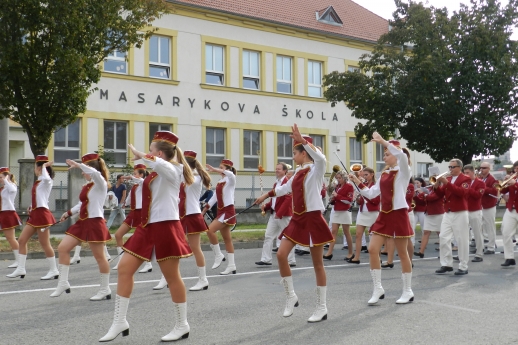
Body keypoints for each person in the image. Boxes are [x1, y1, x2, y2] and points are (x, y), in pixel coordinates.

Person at [100, 131, 194, 342]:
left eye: (151, 150)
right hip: (147, 227)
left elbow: (162, 165)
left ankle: (182, 325)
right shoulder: (156, 172)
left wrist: (142, 154)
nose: (148, 153)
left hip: (166, 226)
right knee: (124, 269)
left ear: (159, 153)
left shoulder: (174, 169)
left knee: (172, 277)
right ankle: (119, 322)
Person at [255, 124, 333, 322]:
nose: (292, 157)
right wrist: (265, 195)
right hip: (298, 219)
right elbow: (282, 190)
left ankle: (321, 307)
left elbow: (321, 158)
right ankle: (291, 296)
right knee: (281, 254)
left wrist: (304, 141)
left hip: (314, 218)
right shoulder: (297, 174)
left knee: (317, 264)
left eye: (295, 153)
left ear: (304, 153)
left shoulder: (316, 170)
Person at [349, 135, 414, 305]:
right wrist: (357, 181)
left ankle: (407, 290)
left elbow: (401, 156)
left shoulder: (404, 170)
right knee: (372, 249)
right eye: (384, 154)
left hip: (398, 213)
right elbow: (371, 194)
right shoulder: (384, 173)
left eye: (387, 154)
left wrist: (384, 142)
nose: (384, 157)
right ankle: (377, 288)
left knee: (402, 253)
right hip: (384, 214)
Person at [51, 153, 112, 299]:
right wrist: (69, 212)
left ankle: (105, 289)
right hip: (83, 221)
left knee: (100, 258)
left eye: (84, 170)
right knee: (63, 248)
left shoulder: (100, 182)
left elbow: (95, 173)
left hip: (95, 222)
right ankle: (63, 283)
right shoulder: (88, 185)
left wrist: (79, 165)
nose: (83, 173)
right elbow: (82, 203)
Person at [154, 150, 212, 291]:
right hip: (180, 216)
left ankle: (203, 279)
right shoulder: (183, 176)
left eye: (181, 162)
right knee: (173, 247)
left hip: (192, 216)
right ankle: (166, 277)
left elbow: (186, 180)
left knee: (195, 248)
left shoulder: (196, 178)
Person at [7, 156, 58, 280]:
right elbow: (40, 197)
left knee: (44, 243)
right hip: (35, 213)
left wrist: (45, 166)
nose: (34, 169)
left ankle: (54, 270)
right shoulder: (39, 181)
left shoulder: (47, 180)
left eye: (36, 166)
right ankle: (21, 268)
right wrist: (31, 205)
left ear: (40, 168)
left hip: (42, 214)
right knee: (22, 240)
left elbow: (45, 178)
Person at [434, 159, 470, 275]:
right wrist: (436, 185)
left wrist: (446, 183)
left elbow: (461, 193)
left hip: (460, 212)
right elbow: (440, 195)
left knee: (462, 240)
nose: (450, 169)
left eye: (452, 167)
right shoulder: (448, 179)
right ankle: (446, 264)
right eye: (449, 167)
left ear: (459, 167)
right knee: (443, 237)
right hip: (448, 212)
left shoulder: (466, 179)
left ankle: (463, 266)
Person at [256, 162, 296, 267]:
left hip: (284, 215)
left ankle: (291, 260)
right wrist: (267, 206)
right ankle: (266, 259)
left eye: (279, 169)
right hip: (274, 214)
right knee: (268, 236)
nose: (276, 170)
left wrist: (280, 213)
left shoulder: (287, 182)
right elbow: (274, 200)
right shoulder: (276, 183)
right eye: (276, 169)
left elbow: (288, 199)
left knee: (288, 237)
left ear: (284, 171)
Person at [202, 159, 238, 275]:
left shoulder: (231, 179)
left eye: (221, 167)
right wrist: (203, 211)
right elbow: (214, 199)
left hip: (228, 211)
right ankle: (231, 265)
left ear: (227, 169)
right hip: (221, 211)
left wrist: (214, 169)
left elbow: (231, 174)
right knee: (227, 239)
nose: (219, 169)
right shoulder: (220, 181)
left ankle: (218, 255)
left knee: (210, 231)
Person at [112, 164, 149, 271]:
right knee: (118, 234)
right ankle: (121, 261)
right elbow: (129, 197)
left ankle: (148, 264)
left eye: (135, 174)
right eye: (133, 174)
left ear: (141, 175)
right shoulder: (135, 186)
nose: (133, 175)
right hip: (133, 213)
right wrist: (123, 204)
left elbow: (142, 181)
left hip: (142, 213)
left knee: (143, 239)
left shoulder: (144, 183)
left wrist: (131, 178)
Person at [350, 167, 380, 264]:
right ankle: (357, 257)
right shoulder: (363, 185)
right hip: (362, 212)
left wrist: (367, 197)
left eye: (366, 175)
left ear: (372, 174)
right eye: (364, 175)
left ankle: (377, 257)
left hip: (373, 213)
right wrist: (358, 198)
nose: (365, 177)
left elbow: (376, 201)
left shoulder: (376, 186)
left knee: (373, 236)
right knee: (358, 234)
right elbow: (360, 201)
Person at [324, 171, 353, 260]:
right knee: (333, 231)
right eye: (337, 178)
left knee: (346, 232)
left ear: (344, 178)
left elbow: (349, 200)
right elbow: (336, 197)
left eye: (340, 178)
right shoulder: (337, 187)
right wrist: (332, 199)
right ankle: (329, 252)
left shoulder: (349, 186)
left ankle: (350, 252)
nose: (338, 180)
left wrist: (337, 196)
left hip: (344, 211)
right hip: (336, 210)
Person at [414, 178, 444, 257]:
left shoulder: (440, 190)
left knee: (440, 233)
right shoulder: (429, 189)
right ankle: (421, 251)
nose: (433, 182)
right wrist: (417, 195)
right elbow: (424, 200)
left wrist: (422, 193)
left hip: (437, 213)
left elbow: (432, 198)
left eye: (435, 181)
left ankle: (443, 251)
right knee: (426, 232)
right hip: (429, 213)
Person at [462, 164, 485, 263]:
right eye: (465, 173)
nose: (466, 175)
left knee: (477, 233)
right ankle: (463, 255)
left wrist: (468, 188)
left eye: (468, 173)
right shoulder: (463, 182)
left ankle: (479, 254)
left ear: (473, 172)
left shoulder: (480, 183)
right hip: (464, 210)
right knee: (463, 234)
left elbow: (477, 195)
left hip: (475, 210)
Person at [0, 167, 21, 270]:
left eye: (1, 177)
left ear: (6, 177)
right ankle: (18, 261)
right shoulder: (3, 188)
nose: (0, 179)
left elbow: (12, 190)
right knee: (10, 238)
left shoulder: (11, 186)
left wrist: (6, 180)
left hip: (8, 213)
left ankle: (19, 261)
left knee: (11, 238)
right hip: (2, 213)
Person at [500, 161, 518, 267]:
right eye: (515, 169)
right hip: (511, 209)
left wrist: (515, 185)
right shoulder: (513, 179)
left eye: (517, 169)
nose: (516, 171)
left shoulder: (514, 182)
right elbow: (503, 191)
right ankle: (509, 257)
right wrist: (505, 182)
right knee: (506, 233)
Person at [479, 162, 499, 254]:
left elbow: (495, 191)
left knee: (490, 226)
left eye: (484, 168)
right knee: (480, 226)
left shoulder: (493, 179)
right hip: (480, 205)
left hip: (489, 205)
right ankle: (481, 245)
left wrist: (483, 188)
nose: (482, 169)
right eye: (481, 168)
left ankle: (491, 247)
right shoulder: (480, 178)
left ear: (489, 168)